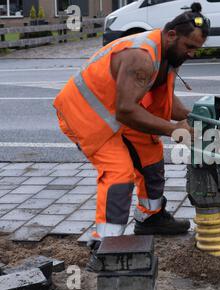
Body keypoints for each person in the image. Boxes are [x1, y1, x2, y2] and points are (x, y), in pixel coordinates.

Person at [53, 3, 210, 268]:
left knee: (151, 153)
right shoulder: (142, 57)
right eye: (189, 47)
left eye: (196, 49)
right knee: (119, 173)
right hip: (86, 115)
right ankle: (105, 247)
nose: (192, 54)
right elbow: (126, 110)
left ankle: (151, 217)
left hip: (114, 111)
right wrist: (173, 129)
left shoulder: (167, 53)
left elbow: (164, 100)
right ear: (171, 35)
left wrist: (195, 118)